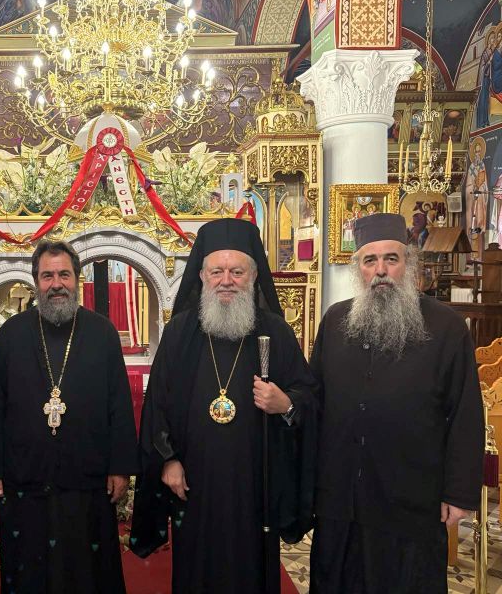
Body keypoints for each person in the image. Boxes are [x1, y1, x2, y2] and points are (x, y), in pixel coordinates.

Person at [130, 218, 317, 593]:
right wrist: (168, 460)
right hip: (193, 483)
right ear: (202, 276)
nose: (226, 280)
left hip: (255, 486)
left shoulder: (275, 332)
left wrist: (285, 403)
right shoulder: (180, 333)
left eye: (237, 271)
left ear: (253, 276)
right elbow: (158, 403)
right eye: (217, 271)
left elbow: (308, 396)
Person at [309, 213, 483, 594]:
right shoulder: (336, 322)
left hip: (411, 502)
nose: (381, 270)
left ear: (409, 263)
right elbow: (314, 401)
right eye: (370, 260)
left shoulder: (446, 328)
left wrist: (458, 493)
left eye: (391, 258)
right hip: (342, 503)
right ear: (358, 267)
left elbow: (465, 414)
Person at [0, 240, 139, 594]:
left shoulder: (102, 332)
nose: (56, 284)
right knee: (29, 569)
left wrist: (120, 467)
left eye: (64, 275)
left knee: (87, 571)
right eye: (47, 276)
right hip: (25, 476)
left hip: (88, 477)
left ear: (76, 279)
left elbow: (119, 403)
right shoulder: (11, 334)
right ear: (36, 281)